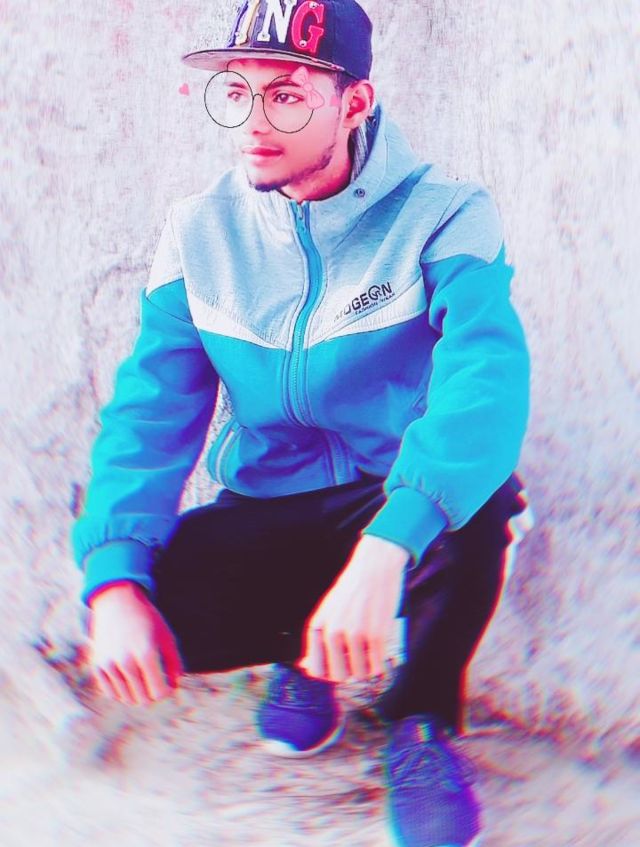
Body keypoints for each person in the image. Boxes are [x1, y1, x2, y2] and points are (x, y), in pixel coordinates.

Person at [70, 2, 535, 845]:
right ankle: (306, 653)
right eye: (236, 91)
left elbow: (485, 387)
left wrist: (387, 548)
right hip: (268, 504)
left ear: (354, 103)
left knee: (479, 502)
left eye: (285, 94)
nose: (253, 122)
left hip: (389, 497)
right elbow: (150, 413)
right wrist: (113, 584)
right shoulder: (198, 231)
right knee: (139, 596)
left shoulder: (446, 214)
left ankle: (419, 717)